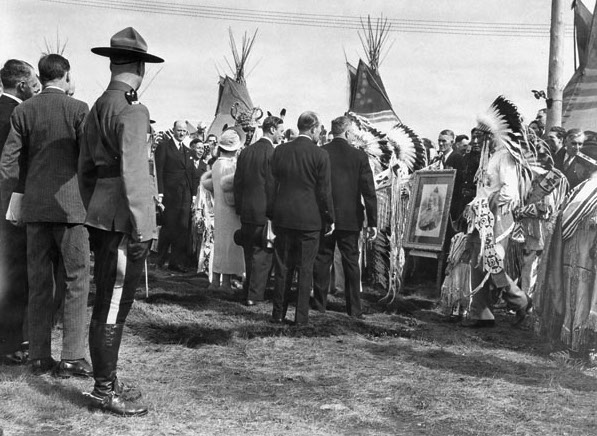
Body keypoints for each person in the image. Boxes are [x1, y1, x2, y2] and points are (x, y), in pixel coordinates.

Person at [78, 26, 164, 416]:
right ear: (140, 68)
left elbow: (84, 171)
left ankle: (106, 379)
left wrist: (95, 208)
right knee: (113, 305)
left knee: (107, 301)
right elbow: (135, 174)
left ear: (113, 63)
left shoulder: (97, 105)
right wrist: (145, 228)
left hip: (102, 214)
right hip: (123, 221)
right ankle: (102, 390)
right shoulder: (132, 109)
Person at [0, 54, 91, 377]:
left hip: (34, 210)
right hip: (71, 209)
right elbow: (88, 160)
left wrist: (13, 201)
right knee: (76, 280)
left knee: (39, 282)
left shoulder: (23, 110)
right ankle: (72, 355)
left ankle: (39, 355)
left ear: (41, 76)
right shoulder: (79, 109)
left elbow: (9, 163)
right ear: (65, 75)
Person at [268, 111, 334, 326]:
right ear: (314, 129)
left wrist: (272, 213)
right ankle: (301, 317)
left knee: (283, 267)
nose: (320, 133)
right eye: (319, 130)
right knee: (305, 269)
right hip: (309, 220)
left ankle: (278, 314)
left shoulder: (280, 151)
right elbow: (324, 191)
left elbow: (272, 185)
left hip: (284, 217)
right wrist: (330, 217)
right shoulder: (320, 155)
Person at [535, 141, 597, 362]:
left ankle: (576, 350)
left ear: (586, 166)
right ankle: (588, 350)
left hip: (582, 255)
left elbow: (566, 219)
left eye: (578, 165)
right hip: (587, 255)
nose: (576, 170)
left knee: (580, 297)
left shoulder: (588, 188)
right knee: (590, 299)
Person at [312, 116, 377, 318]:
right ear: (348, 133)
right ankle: (354, 308)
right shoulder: (358, 156)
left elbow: (316, 186)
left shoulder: (321, 153)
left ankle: (320, 303)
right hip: (351, 217)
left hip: (325, 215)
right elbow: (368, 190)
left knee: (323, 259)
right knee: (351, 261)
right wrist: (372, 221)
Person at [0, 59, 40, 365]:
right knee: (14, 276)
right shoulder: (18, 116)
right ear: (22, 85)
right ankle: (10, 343)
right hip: (9, 206)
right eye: (33, 81)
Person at [234, 116, 284, 306]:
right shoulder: (273, 154)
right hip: (264, 213)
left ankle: (248, 291)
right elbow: (272, 186)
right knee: (263, 255)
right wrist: (273, 213)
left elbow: (237, 184)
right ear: (272, 130)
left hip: (246, 211)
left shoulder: (246, 152)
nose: (281, 134)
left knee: (249, 253)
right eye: (280, 130)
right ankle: (254, 295)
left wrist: (240, 207)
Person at [202, 127, 245, 290]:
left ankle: (215, 280)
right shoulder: (230, 166)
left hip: (219, 208)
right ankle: (225, 283)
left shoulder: (216, 164)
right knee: (229, 245)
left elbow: (208, 184)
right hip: (231, 210)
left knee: (219, 244)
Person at [155, 120, 195, 272]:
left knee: (183, 229)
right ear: (173, 130)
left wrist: (193, 196)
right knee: (168, 227)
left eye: (184, 131)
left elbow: (190, 174)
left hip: (185, 195)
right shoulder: (164, 146)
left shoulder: (187, 151)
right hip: (169, 195)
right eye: (179, 130)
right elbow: (159, 170)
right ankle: (160, 260)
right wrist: (160, 193)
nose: (182, 133)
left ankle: (176, 262)